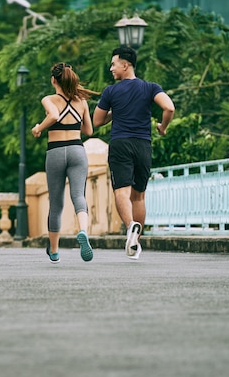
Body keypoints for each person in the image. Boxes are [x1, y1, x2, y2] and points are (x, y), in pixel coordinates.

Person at [93, 46, 175, 260]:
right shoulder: (150, 88)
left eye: (114, 64)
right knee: (138, 196)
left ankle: (130, 227)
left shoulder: (111, 91)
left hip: (120, 144)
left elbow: (97, 121)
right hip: (143, 145)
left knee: (121, 192)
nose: (111, 68)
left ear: (125, 64)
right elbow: (169, 108)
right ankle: (135, 243)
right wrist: (163, 128)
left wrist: (115, 111)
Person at [32, 62, 97, 263]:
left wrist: (38, 129)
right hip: (78, 150)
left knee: (57, 203)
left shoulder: (49, 99)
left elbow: (54, 115)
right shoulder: (82, 102)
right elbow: (89, 131)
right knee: (79, 195)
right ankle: (83, 230)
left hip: (56, 151)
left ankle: (54, 251)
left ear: (54, 80)